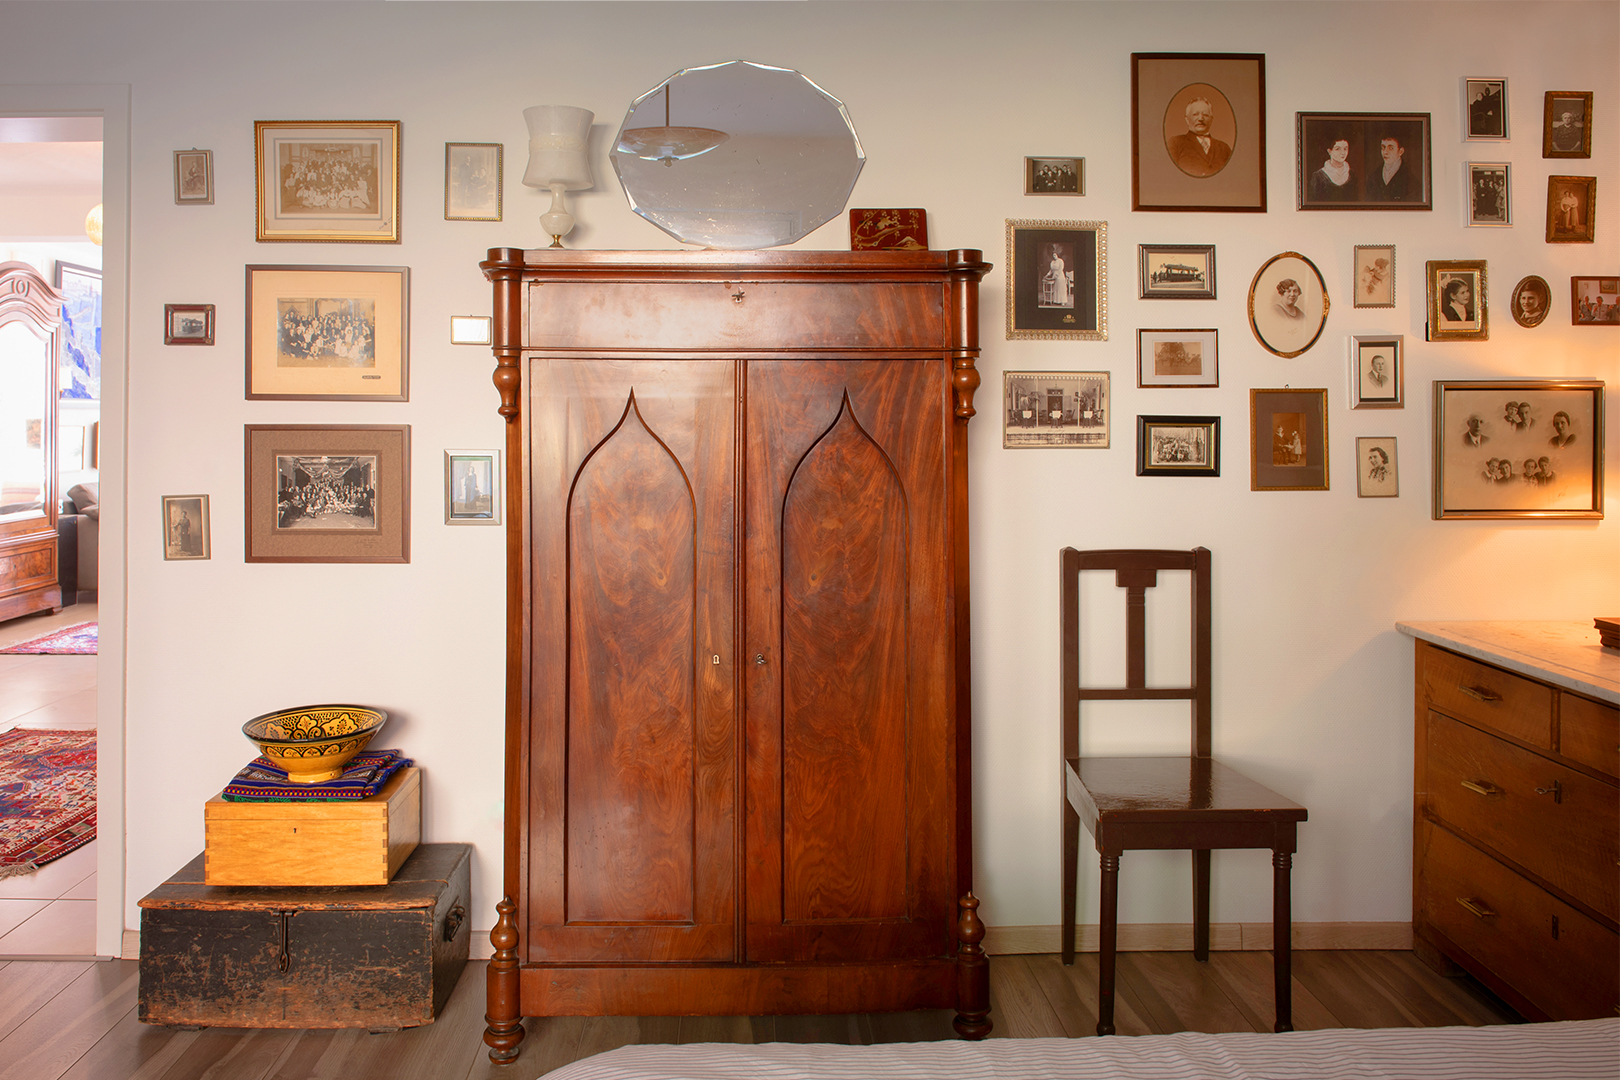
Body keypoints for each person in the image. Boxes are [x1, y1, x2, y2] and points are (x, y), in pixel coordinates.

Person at [1167, 97, 1232, 178]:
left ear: (1211, 120)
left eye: (1205, 115)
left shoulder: (1224, 148)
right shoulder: (1176, 143)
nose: (1201, 118)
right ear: (1187, 119)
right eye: (1195, 114)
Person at [1365, 135, 1413, 201]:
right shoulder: (1373, 177)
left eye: (1391, 148)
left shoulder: (1411, 180)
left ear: (1400, 151)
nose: (1385, 152)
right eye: (1383, 147)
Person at [1308, 137, 1356, 201]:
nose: (1342, 153)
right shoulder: (1318, 176)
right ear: (1329, 151)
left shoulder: (1352, 174)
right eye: (1338, 149)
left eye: (1345, 149)